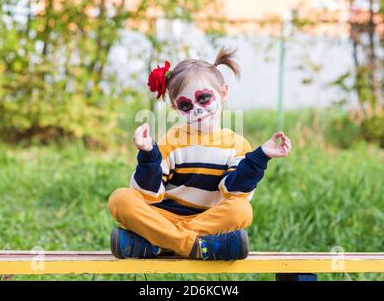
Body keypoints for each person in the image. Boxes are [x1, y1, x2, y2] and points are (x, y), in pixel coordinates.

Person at [108, 46, 292, 260]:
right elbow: (149, 194)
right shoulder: (171, 140)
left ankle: (160, 244)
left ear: (223, 93)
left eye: (203, 99)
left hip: (206, 220)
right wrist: (148, 153)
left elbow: (233, 192)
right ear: (176, 109)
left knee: (242, 210)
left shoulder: (237, 144)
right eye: (186, 105)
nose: (196, 109)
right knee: (120, 198)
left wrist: (261, 156)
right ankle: (196, 246)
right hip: (164, 217)